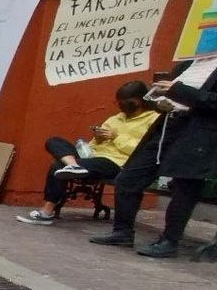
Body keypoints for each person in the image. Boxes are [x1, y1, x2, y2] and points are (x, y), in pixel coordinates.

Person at [91, 59, 217, 257]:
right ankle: (122, 231)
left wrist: (179, 90)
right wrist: (160, 99)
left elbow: (210, 101)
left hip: (198, 133)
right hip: (167, 127)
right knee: (128, 178)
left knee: (184, 187)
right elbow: (173, 95)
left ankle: (169, 241)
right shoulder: (187, 64)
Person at [17, 81, 158, 225]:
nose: (123, 104)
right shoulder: (115, 118)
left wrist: (116, 137)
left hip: (116, 162)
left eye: (127, 101)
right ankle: (73, 165)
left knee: (58, 165)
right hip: (93, 156)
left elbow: (142, 150)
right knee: (53, 141)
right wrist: (97, 139)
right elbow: (95, 144)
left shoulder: (153, 119)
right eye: (120, 102)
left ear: (140, 100)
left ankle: (46, 212)